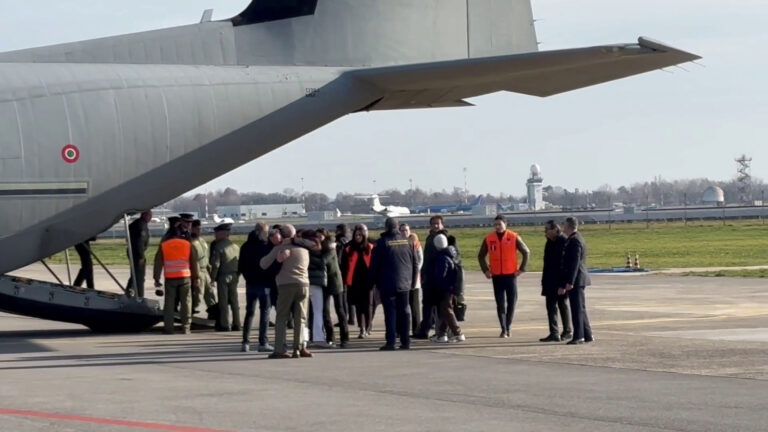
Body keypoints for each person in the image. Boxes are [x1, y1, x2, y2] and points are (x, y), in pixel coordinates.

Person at [260, 224, 313, 359]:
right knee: (300, 318)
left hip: (285, 285)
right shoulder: (303, 250)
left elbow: (263, 264)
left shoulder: (279, 249)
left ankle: (280, 349)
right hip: (304, 284)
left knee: (282, 318)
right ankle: (300, 347)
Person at [478, 214, 530, 338]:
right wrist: (486, 270)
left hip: (510, 275)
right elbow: (481, 256)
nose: (497, 227)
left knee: (511, 302)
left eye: (499, 224)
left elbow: (526, 252)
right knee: (500, 303)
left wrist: (522, 269)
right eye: (495, 224)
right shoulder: (489, 238)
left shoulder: (513, 237)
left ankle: (508, 326)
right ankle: (503, 328)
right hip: (496, 275)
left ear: (505, 224)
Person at [369, 217, 417, 351]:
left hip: (387, 283)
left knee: (390, 313)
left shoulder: (381, 243)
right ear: (397, 227)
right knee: (405, 312)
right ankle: (405, 341)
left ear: (386, 227)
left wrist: (371, 284)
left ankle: (391, 341)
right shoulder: (407, 242)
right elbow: (415, 263)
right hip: (405, 283)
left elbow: (374, 266)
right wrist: (412, 281)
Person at [239, 222, 279, 353]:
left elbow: (241, 266)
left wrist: (248, 278)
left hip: (250, 284)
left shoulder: (245, 246)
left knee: (249, 313)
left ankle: (245, 342)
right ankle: (263, 341)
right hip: (265, 283)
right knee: (265, 313)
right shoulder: (267, 246)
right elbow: (271, 264)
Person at [153, 231, 199, 334]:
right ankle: (186, 328)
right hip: (185, 277)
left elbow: (158, 262)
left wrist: (156, 279)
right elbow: (194, 262)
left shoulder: (164, 245)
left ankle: (168, 328)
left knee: (169, 303)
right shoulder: (187, 245)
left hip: (170, 278)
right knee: (186, 302)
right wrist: (196, 277)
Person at [414, 215, 453, 339]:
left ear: (442, 225)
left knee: (441, 307)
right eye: (433, 224)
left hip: (439, 278)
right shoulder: (430, 237)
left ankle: (442, 331)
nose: (436, 226)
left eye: (438, 223)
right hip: (428, 277)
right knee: (428, 305)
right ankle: (424, 330)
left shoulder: (444, 238)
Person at [558, 217, 594, 345]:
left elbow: (574, 263)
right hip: (577, 279)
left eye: (564, 226)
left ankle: (579, 336)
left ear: (568, 227)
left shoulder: (574, 241)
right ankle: (587, 334)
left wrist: (570, 282)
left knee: (577, 308)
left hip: (577, 279)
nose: (563, 228)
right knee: (580, 308)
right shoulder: (574, 238)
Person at [540, 220, 572, 342]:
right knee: (551, 306)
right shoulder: (549, 243)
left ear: (555, 229)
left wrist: (563, 283)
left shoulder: (563, 242)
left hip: (560, 280)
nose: (545, 232)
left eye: (547, 229)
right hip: (550, 280)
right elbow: (547, 264)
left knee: (562, 305)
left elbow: (565, 265)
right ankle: (554, 332)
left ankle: (567, 331)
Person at [430, 234, 465, 343]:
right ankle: (442, 334)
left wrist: (435, 285)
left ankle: (458, 333)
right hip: (452, 288)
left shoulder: (442, 257)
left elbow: (440, 275)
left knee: (447, 310)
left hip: (445, 289)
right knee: (445, 310)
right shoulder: (451, 255)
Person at [341, 224, 374, 339]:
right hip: (354, 281)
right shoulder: (349, 248)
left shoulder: (370, 246)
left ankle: (368, 326)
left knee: (368, 305)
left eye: (360, 235)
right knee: (358, 306)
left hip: (368, 281)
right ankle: (362, 328)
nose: (358, 237)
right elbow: (344, 265)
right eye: (356, 235)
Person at [318, 228, 349, 348]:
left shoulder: (331, 247)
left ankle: (344, 338)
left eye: (321, 235)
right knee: (325, 311)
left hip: (335, 281)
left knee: (340, 310)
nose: (319, 238)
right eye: (317, 236)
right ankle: (330, 337)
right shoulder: (319, 248)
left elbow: (323, 261)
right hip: (324, 282)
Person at [210, 223, 241, 332]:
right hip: (234, 276)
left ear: (222, 234)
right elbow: (239, 263)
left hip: (223, 276)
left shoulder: (218, 247)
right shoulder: (235, 247)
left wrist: (212, 278)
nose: (215, 236)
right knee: (234, 301)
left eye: (216, 233)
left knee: (223, 302)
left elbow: (216, 264)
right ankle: (237, 323)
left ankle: (224, 324)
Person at [400, 223, 423, 336]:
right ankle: (400, 330)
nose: (405, 232)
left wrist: (413, 272)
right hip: (402, 280)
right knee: (402, 305)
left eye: (406, 230)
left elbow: (420, 260)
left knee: (414, 306)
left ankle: (416, 329)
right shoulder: (398, 244)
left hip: (414, 279)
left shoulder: (415, 244)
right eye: (403, 230)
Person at [190, 220, 215, 314]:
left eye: (200, 228)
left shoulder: (201, 240)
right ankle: (191, 311)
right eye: (197, 228)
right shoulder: (190, 241)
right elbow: (194, 260)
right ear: (192, 228)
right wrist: (195, 276)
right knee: (198, 294)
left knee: (210, 294)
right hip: (198, 270)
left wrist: (211, 273)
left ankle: (213, 312)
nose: (199, 230)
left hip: (205, 271)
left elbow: (206, 256)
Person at [126, 210, 151, 298]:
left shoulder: (137, 223)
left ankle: (129, 291)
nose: (150, 218)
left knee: (135, 274)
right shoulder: (141, 225)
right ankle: (139, 295)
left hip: (132, 251)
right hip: (137, 254)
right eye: (149, 215)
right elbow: (139, 242)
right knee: (139, 276)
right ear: (144, 215)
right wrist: (141, 257)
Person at [335, 224, 355, 326]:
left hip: (342, 270)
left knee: (343, 295)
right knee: (349, 295)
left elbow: (339, 256)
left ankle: (345, 317)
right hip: (351, 269)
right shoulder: (351, 237)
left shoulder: (341, 240)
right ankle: (351, 318)